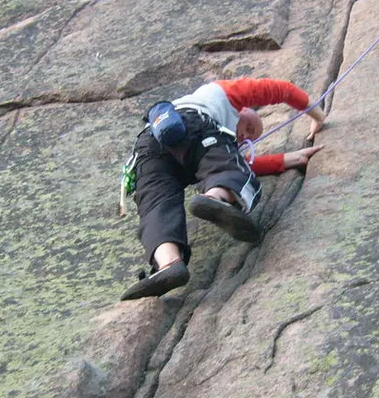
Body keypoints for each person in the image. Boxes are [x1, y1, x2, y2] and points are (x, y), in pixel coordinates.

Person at [121, 78, 326, 300]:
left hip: (146, 149)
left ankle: (168, 263)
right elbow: (281, 90)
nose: (245, 136)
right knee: (228, 170)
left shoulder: (192, 124)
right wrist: (318, 115)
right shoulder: (223, 95)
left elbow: (238, 161)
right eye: (250, 128)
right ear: (244, 109)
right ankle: (216, 197)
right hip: (194, 124)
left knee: (156, 205)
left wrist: (285, 159)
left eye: (248, 138)